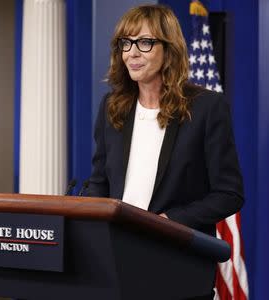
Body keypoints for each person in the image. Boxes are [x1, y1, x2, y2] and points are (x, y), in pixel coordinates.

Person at [86, 4, 244, 298]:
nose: (132, 53)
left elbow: (229, 193)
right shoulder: (112, 108)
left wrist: (169, 222)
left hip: (178, 264)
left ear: (168, 49)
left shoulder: (206, 107)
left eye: (144, 43)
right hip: (119, 262)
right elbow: (99, 184)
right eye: (126, 43)